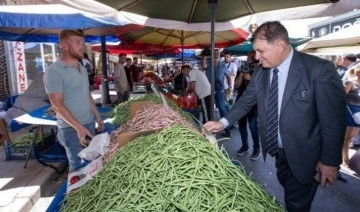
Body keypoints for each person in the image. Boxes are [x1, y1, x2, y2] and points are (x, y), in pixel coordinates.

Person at [203, 21, 346, 211]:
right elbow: (246, 101)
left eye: (261, 51)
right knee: (289, 194)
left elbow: (333, 121)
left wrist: (330, 161)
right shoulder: (262, 72)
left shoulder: (319, 70)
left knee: (296, 204)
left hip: (306, 154)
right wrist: (222, 122)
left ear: (280, 45)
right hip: (278, 152)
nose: (257, 57)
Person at [43, 29, 104, 172]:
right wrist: (78, 127)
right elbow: (57, 105)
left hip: (88, 123)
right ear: (65, 46)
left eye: (83, 42)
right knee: (78, 168)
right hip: (71, 129)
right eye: (77, 42)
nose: (82, 46)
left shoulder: (81, 68)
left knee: (91, 166)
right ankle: (74, 194)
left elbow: (86, 94)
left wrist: (97, 116)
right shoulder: (54, 71)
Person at [234, 51, 260, 160]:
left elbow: (261, 88)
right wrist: (241, 75)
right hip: (241, 102)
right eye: (249, 57)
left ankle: (256, 149)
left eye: (252, 57)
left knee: (253, 127)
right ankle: (245, 146)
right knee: (242, 126)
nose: (251, 59)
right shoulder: (242, 68)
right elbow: (236, 86)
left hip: (254, 104)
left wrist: (250, 78)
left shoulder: (260, 70)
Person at [202, 49, 232, 137]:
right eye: (214, 53)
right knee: (209, 110)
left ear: (220, 54)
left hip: (219, 90)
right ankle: (208, 129)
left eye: (218, 53)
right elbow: (203, 66)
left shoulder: (223, 64)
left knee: (222, 109)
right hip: (209, 89)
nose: (216, 54)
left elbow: (228, 76)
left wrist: (229, 86)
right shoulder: (209, 62)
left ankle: (227, 129)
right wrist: (204, 56)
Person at [343, 65, 360, 167]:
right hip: (350, 113)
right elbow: (340, 97)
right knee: (346, 138)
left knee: (351, 137)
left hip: (358, 114)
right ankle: (345, 160)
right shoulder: (350, 82)